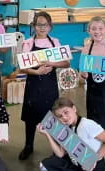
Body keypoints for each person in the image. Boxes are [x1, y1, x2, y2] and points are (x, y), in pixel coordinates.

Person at [18, 11, 70, 160]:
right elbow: (22, 67)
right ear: (34, 26)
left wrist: (52, 63)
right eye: (39, 24)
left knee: (53, 117)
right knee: (30, 117)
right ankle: (28, 146)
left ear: (50, 26)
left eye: (45, 25)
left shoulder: (55, 42)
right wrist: (37, 72)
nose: (42, 28)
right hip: (33, 84)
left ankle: (56, 149)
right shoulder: (28, 43)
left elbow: (66, 63)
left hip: (50, 86)